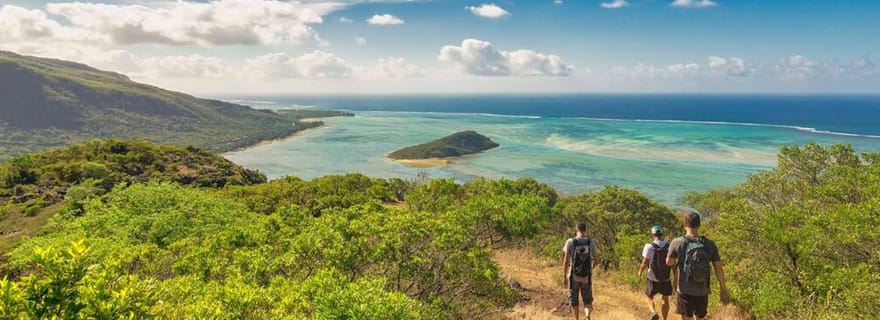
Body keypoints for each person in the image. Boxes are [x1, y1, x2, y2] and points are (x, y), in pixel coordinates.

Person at [665, 211, 730, 320]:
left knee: (686, 317)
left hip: (684, 289)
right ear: (699, 225)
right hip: (702, 290)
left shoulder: (677, 242)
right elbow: (718, 268)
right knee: (700, 317)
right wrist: (723, 289)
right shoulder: (709, 244)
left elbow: (669, 262)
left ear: (685, 225)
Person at [563, 222, 600, 320]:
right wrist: (591, 267)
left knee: (574, 300)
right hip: (586, 276)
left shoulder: (570, 241)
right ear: (585, 230)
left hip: (573, 276)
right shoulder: (590, 241)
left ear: (576, 230)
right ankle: (587, 316)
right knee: (587, 300)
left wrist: (564, 277)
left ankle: (577, 319)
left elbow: (566, 261)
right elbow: (597, 259)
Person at [638, 225, 672, 320]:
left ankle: (653, 312)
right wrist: (676, 278)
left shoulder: (648, 247)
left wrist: (640, 272)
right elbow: (673, 264)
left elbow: (645, 262)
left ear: (652, 235)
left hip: (652, 277)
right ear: (662, 234)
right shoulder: (669, 246)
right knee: (665, 299)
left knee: (649, 297)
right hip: (666, 278)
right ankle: (665, 319)